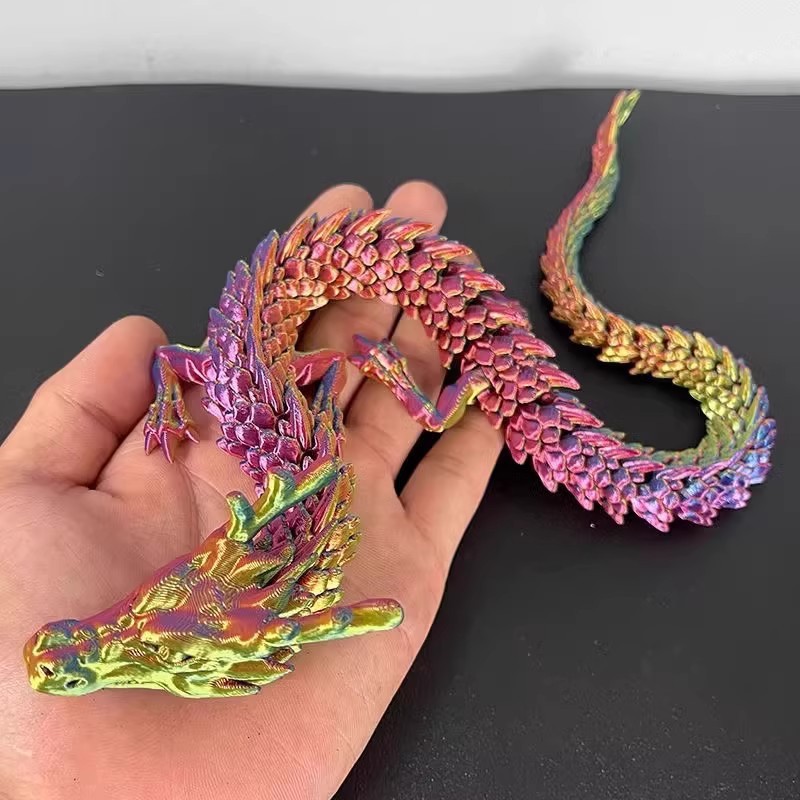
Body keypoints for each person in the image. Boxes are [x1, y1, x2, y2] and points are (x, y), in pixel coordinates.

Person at [0, 180, 503, 798]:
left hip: (273, 411)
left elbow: (195, 361)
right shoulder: (147, 631)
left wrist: (310, 404)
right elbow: (170, 361)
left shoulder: (243, 380)